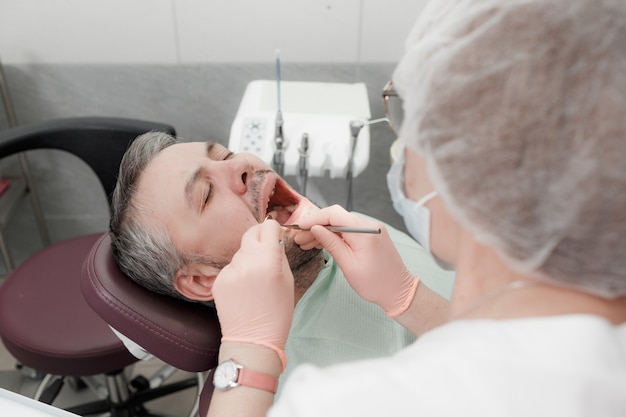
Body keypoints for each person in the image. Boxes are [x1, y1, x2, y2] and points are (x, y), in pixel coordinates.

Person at [207, 0, 626, 415]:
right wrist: (408, 299)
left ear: (469, 167)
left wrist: (245, 358)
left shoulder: (348, 405)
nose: (240, 165)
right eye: (204, 194)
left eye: (411, 116)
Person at [109, 132, 455, 392]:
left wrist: (409, 298)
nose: (240, 164)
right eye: (206, 194)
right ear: (204, 280)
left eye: (224, 154)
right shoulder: (308, 392)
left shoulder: (354, 230)